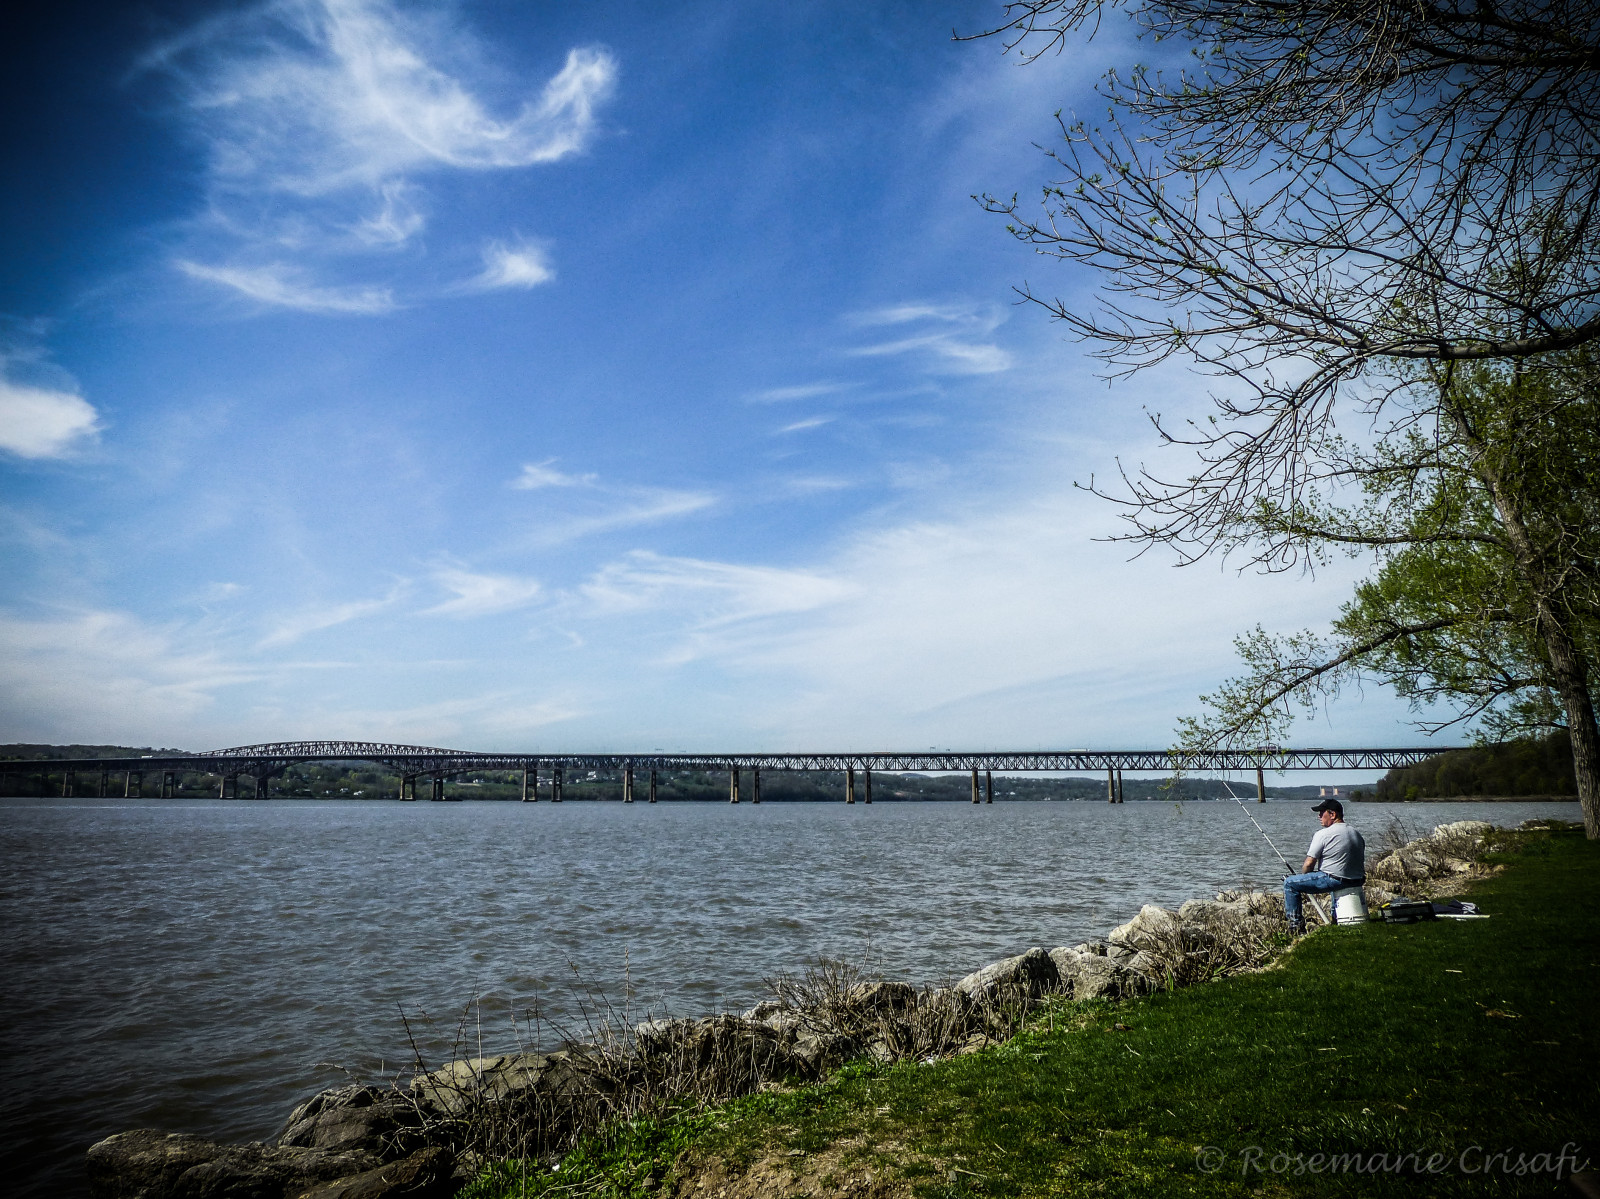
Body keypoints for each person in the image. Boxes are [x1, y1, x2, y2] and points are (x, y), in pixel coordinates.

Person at [1282, 798, 1365, 934]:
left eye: (1322, 813)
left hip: (1336, 880)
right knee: (1334, 874)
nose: (1319, 816)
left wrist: (1304, 877)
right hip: (1357, 880)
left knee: (1290, 884)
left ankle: (1295, 926)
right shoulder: (1355, 833)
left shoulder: (1323, 834)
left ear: (1332, 815)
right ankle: (1335, 919)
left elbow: (1309, 864)